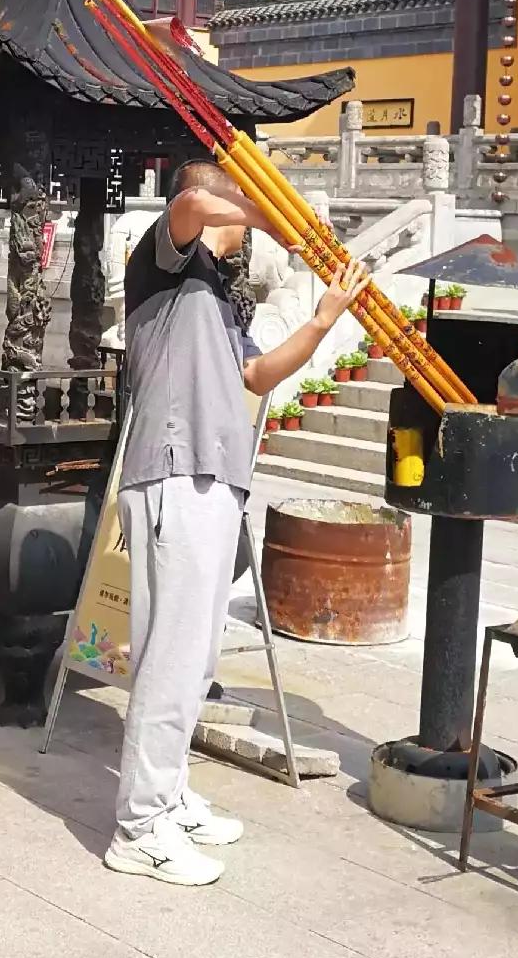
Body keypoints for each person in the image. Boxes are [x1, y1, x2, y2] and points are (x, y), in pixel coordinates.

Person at [106, 161, 369, 887]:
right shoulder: (165, 261)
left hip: (215, 478)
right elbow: (190, 199)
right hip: (173, 470)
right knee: (170, 656)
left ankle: (169, 796)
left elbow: (256, 377)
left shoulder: (222, 296)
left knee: (196, 660)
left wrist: (322, 321)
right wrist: (272, 214)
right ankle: (139, 827)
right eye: (235, 204)